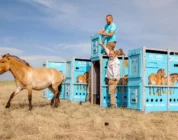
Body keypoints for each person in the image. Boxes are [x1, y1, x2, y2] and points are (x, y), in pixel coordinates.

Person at [99, 42, 120, 107]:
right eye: (110, 54)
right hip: (110, 78)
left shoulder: (115, 62)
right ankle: (113, 104)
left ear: (115, 55)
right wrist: (103, 45)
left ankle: (113, 105)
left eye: (111, 54)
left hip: (114, 79)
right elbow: (107, 51)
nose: (110, 55)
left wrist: (112, 79)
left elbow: (115, 72)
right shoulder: (111, 57)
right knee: (112, 91)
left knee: (111, 91)